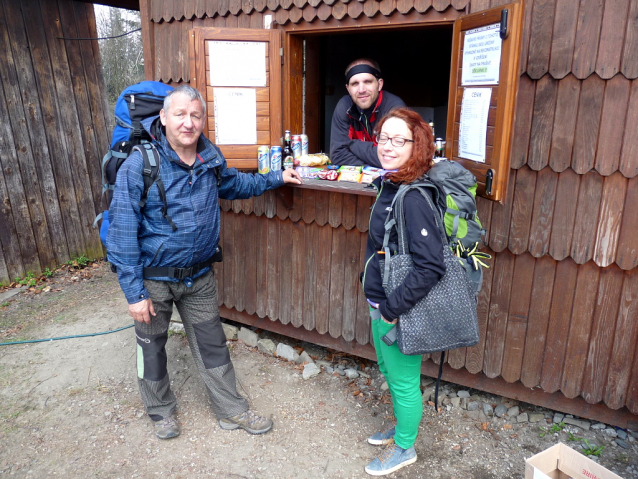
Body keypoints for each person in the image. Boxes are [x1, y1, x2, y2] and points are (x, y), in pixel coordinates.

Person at [106, 85, 302, 440]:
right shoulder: (141, 163)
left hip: (198, 276)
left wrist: (276, 178)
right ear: (163, 118)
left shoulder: (210, 159)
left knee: (212, 344)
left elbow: (235, 184)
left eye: (195, 115)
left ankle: (231, 410)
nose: (188, 122)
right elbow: (121, 231)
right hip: (154, 278)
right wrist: (134, 293)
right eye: (180, 114)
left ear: (202, 120)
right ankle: (160, 411)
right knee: (151, 348)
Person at [360, 108, 446, 476]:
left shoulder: (411, 196)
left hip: (397, 306)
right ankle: (402, 426)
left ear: (418, 145)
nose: (388, 146)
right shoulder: (391, 183)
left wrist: (393, 309)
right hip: (380, 298)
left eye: (400, 140)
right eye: (384, 138)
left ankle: (405, 447)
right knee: (387, 368)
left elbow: (431, 266)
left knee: (404, 379)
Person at [329, 59, 406, 167]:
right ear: (348, 89)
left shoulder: (394, 107)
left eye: (368, 82)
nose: (361, 90)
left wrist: (353, 145)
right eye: (355, 84)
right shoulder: (345, 105)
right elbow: (338, 156)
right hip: (353, 181)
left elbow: (397, 156)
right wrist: (374, 161)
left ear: (379, 84)